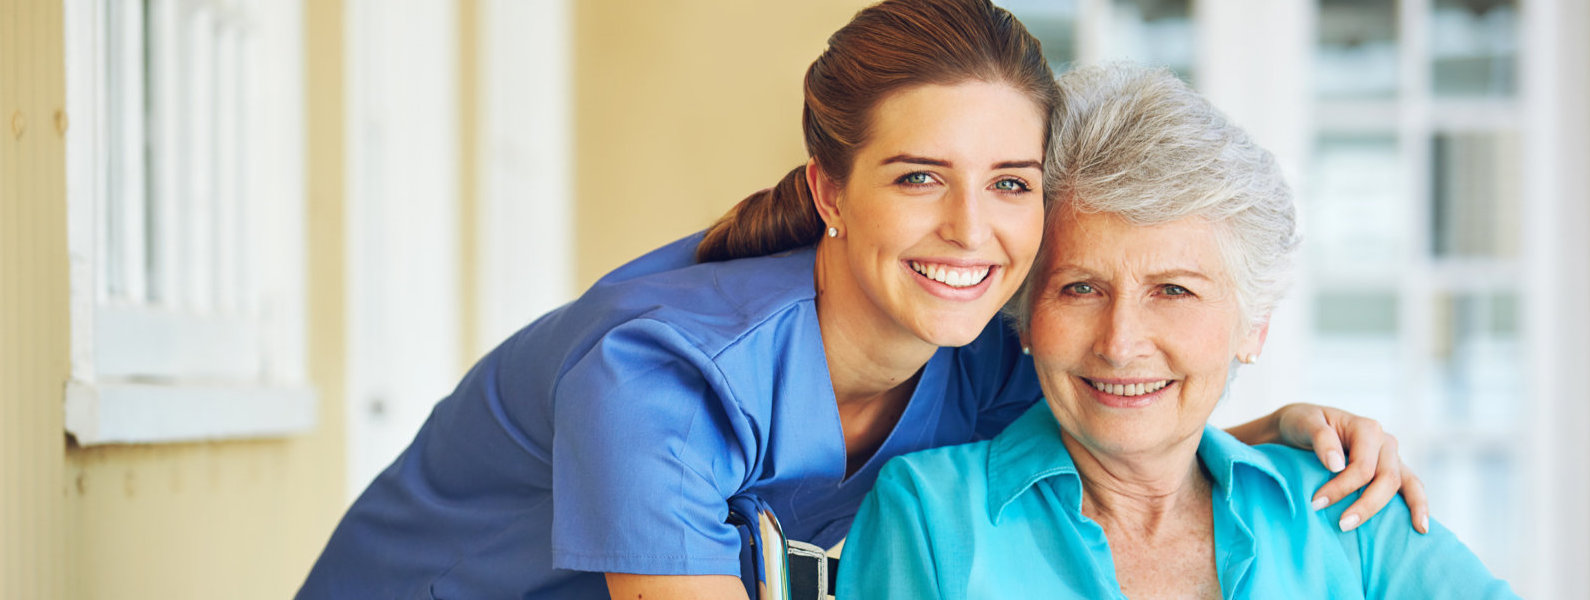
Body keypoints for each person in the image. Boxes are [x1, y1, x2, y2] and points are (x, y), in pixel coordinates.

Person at [295, 2, 1425, 598]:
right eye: (919, 177)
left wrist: (1270, 433)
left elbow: (1118, 428)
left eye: (1012, 185)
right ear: (832, 189)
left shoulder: (978, 360)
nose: (972, 233)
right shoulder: (660, 376)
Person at [838, 63, 1516, 600]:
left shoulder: (1347, 508)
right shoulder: (929, 514)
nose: (1121, 341)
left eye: (1173, 291)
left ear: (1253, 326)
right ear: (1025, 318)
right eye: (1080, 288)